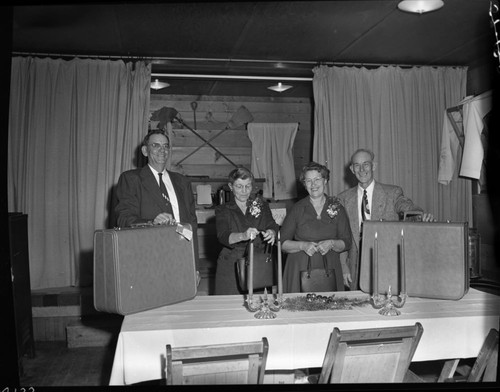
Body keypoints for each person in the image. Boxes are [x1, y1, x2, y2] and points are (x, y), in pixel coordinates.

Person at [337, 148, 436, 290]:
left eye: (366, 164)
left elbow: (406, 206)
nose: (362, 169)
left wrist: (419, 215)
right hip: (355, 269)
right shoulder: (343, 199)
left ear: (373, 166)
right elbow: (341, 235)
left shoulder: (392, 193)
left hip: (388, 264)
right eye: (357, 165)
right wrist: (344, 268)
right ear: (352, 169)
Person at [114, 129, 199, 272]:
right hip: (148, 259)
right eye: (156, 145)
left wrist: (195, 266)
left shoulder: (182, 182)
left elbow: (192, 227)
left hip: (181, 257)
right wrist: (151, 223)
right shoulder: (131, 179)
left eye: (166, 146)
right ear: (145, 151)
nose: (162, 150)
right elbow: (124, 219)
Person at [281, 162, 352, 293]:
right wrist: (302, 245)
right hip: (299, 267)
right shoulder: (297, 209)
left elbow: (347, 242)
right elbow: (282, 243)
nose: (313, 184)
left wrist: (331, 243)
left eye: (317, 179)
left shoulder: (338, 207)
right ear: (304, 184)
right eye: (308, 180)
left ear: (325, 181)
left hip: (329, 268)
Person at [215, 167, 279, 295]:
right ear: (230, 186)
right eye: (239, 186)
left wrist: (272, 232)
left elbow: (273, 225)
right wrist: (243, 235)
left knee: (258, 304)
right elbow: (223, 236)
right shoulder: (223, 210)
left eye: (248, 186)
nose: (244, 191)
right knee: (228, 306)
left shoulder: (262, 205)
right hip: (231, 263)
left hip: (257, 262)